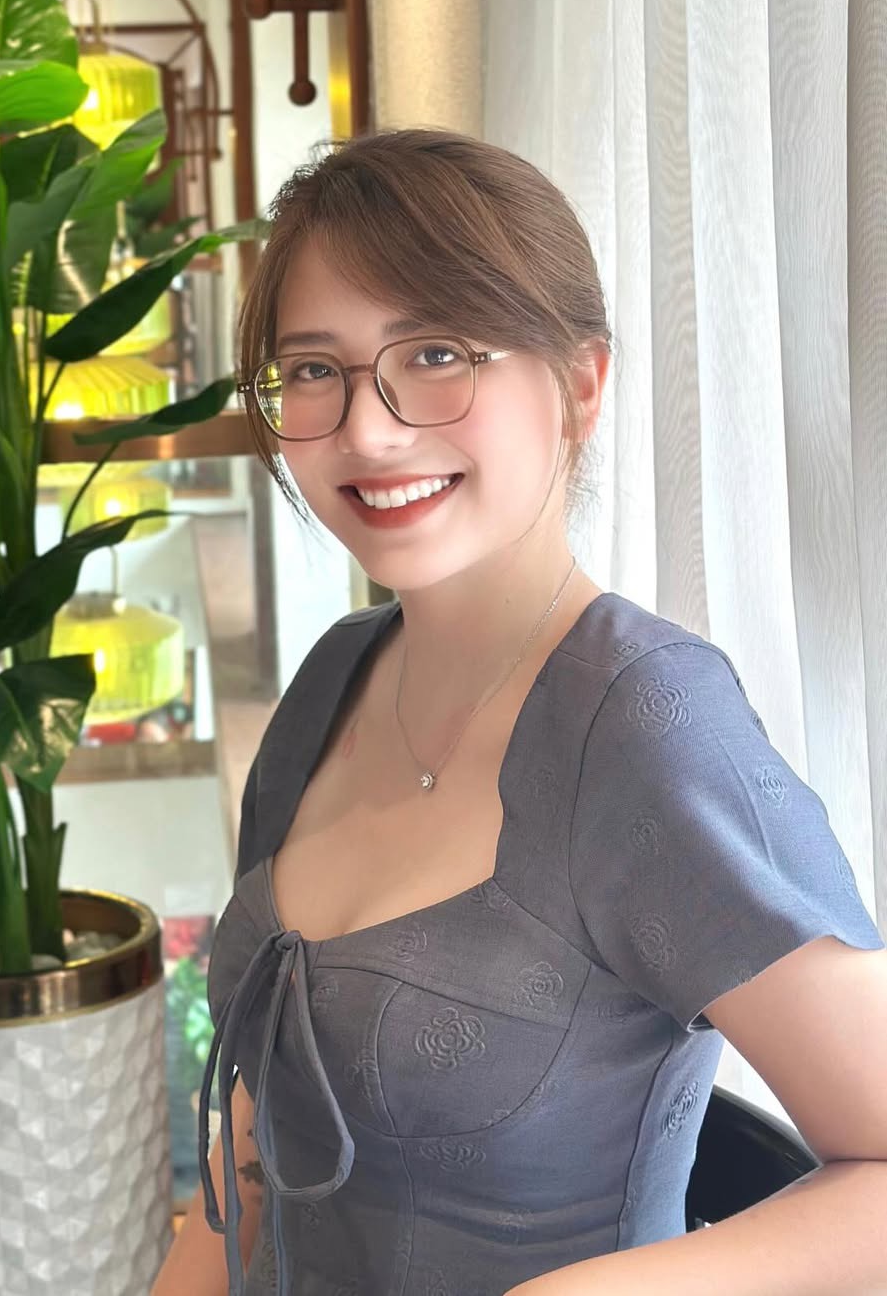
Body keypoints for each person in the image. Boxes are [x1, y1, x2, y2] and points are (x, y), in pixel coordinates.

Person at [151, 130, 886, 1295]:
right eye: (314, 369)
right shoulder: (330, 683)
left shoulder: (646, 728)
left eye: (437, 352)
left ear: (581, 384)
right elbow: (257, 1128)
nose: (369, 430)